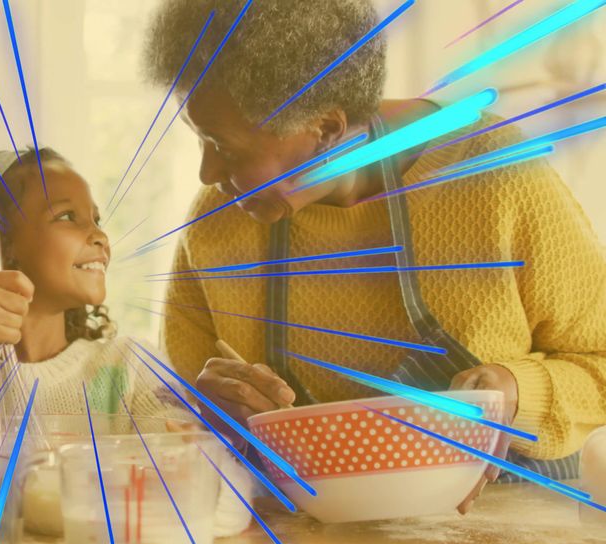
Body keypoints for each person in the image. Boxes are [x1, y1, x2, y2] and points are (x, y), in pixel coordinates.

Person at [142, 0, 606, 511]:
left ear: (326, 130)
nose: (207, 173)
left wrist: (516, 390)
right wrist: (205, 411)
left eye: (224, 147)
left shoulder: (494, 175)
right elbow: (172, 411)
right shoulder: (216, 223)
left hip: (510, 533)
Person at [0, 149, 251, 538]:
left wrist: (197, 461)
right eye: (68, 216)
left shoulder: (126, 370)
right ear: (3, 245)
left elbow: (220, 503)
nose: (99, 235)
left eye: (96, 217)